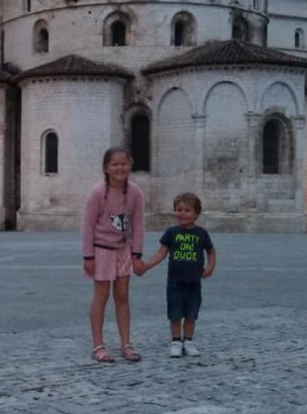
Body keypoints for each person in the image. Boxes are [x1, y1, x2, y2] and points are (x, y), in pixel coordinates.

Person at [81, 147, 146, 363]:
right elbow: (87, 226)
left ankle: (125, 343)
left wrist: (136, 253)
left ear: (130, 165)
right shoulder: (98, 192)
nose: (120, 168)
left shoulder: (135, 192)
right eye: (115, 164)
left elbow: (138, 224)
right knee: (101, 296)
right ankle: (98, 345)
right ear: (106, 168)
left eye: (124, 163)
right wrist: (88, 256)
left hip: (123, 251)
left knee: (123, 297)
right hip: (101, 251)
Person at [138, 192, 216, 357]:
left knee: (191, 313)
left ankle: (188, 341)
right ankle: (175, 341)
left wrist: (210, 266)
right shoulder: (171, 233)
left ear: (196, 214)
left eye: (187, 210)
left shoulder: (201, 233)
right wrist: (147, 265)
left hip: (194, 282)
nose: (182, 213)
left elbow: (211, 250)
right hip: (175, 282)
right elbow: (161, 252)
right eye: (179, 209)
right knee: (175, 313)